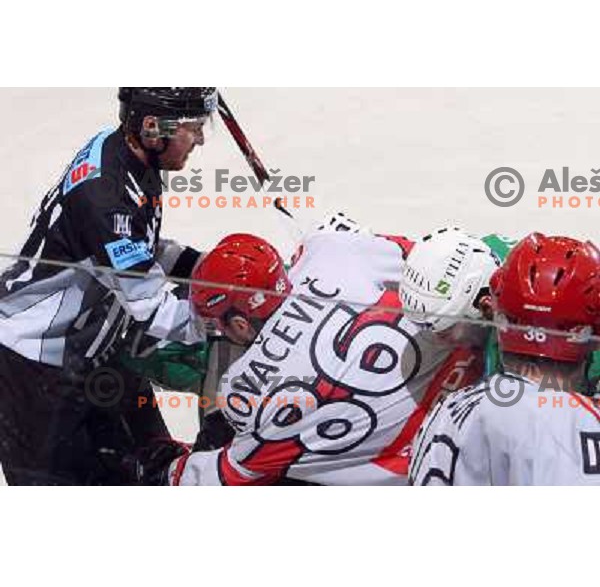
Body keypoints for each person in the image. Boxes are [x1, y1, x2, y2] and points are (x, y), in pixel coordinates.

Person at [168, 224, 498, 485]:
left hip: (433, 455)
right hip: (479, 364)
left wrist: (165, 470)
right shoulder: (329, 251)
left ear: (240, 324)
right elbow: (417, 257)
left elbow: (232, 472)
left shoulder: (242, 388)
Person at [0, 87, 216, 485]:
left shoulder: (122, 151)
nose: (200, 139)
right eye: (194, 128)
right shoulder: (106, 198)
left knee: (153, 465)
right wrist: (232, 313)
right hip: (36, 369)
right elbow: (151, 309)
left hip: (95, 348)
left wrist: (205, 267)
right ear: (153, 128)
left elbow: (138, 246)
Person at [409, 233, 600, 486]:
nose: (439, 340)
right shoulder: (577, 422)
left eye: (445, 329)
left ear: (491, 306)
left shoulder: (448, 409)